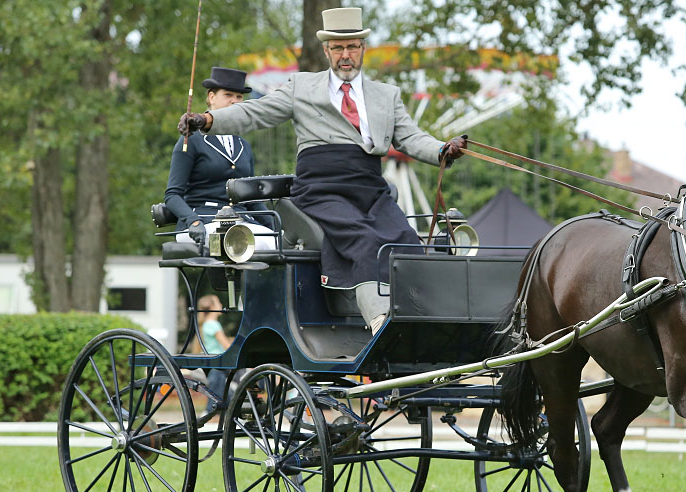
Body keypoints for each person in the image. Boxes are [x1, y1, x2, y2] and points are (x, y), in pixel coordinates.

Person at [178, 7, 467, 334]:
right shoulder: (301, 87)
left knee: (405, 240)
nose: (346, 55)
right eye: (338, 48)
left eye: (353, 47)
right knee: (365, 239)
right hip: (321, 189)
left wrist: (442, 149)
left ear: (362, 49)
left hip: (370, 188)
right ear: (327, 51)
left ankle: (423, 320)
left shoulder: (386, 96)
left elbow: (412, 137)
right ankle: (381, 323)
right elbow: (255, 113)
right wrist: (208, 120)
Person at [166, 66, 276, 250]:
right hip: (203, 220)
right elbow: (172, 195)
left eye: (239, 97)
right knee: (234, 243)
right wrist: (192, 221)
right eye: (228, 95)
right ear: (211, 97)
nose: (235, 101)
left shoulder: (243, 146)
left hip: (242, 222)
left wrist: (276, 228)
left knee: (274, 244)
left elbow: (251, 198)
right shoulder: (192, 140)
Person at [196, 294, 233, 412]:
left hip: (212, 363)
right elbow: (226, 345)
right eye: (218, 303)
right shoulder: (213, 324)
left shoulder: (206, 324)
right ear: (212, 306)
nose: (221, 305)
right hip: (219, 362)